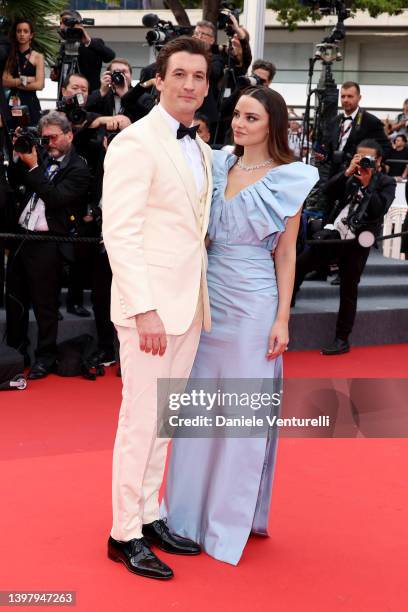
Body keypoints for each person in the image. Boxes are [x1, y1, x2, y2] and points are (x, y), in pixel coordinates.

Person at [163, 86, 319, 565]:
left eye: (251, 117)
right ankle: (181, 516)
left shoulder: (289, 178)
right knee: (195, 411)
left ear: (271, 124)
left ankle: (227, 520)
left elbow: (287, 252)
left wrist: (282, 318)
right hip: (208, 300)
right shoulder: (215, 165)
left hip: (253, 304)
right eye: (236, 115)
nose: (239, 123)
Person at [102, 36, 213, 580]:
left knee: (165, 422)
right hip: (150, 310)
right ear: (160, 80)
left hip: (189, 305)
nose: (191, 84)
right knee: (140, 421)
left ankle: (149, 517)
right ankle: (123, 532)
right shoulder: (136, 143)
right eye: (181, 75)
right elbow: (119, 232)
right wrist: (143, 308)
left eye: (200, 76)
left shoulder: (196, 144)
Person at [6, 111, 91, 378]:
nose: (48, 144)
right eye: (44, 139)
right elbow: (16, 182)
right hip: (21, 237)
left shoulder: (79, 168)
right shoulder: (39, 154)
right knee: (15, 300)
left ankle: (46, 357)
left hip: (49, 243)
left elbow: (54, 198)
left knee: (45, 304)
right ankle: (15, 352)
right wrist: (19, 157)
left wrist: (33, 167)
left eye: (53, 138)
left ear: (69, 135)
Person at [293, 139, 396, 355]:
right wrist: (347, 173)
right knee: (300, 263)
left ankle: (342, 339)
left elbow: (379, 210)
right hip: (336, 231)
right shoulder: (351, 174)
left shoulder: (386, 182)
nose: (363, 162)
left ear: (378, 160)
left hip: (359, 239)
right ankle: (289, 300)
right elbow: (327, 191)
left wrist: (368, 186)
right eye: (359, 157)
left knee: (349, 287)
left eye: (368, 158)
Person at [55, 10, 115, 93]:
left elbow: (110, 56)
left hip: (90, 98)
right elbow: (65, 75)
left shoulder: (94, 43)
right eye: (60, 23)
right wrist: (56, 76)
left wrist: (88, 42)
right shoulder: (64, 46)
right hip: (66, 99)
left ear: (78, 24)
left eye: (66, 22)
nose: (62, 27)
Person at [2, 20, 44, 126]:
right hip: (13, 100)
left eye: (25, 31)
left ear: (31, 35)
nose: (22, 34)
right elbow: (4, 81)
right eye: (18, 31)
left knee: (31, 134)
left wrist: (15, 82)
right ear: (15, 34)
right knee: (11, 135)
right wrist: (29, 79)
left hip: (30, 102)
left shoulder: (38, 57)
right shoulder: (10, 55)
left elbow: (39, 85)